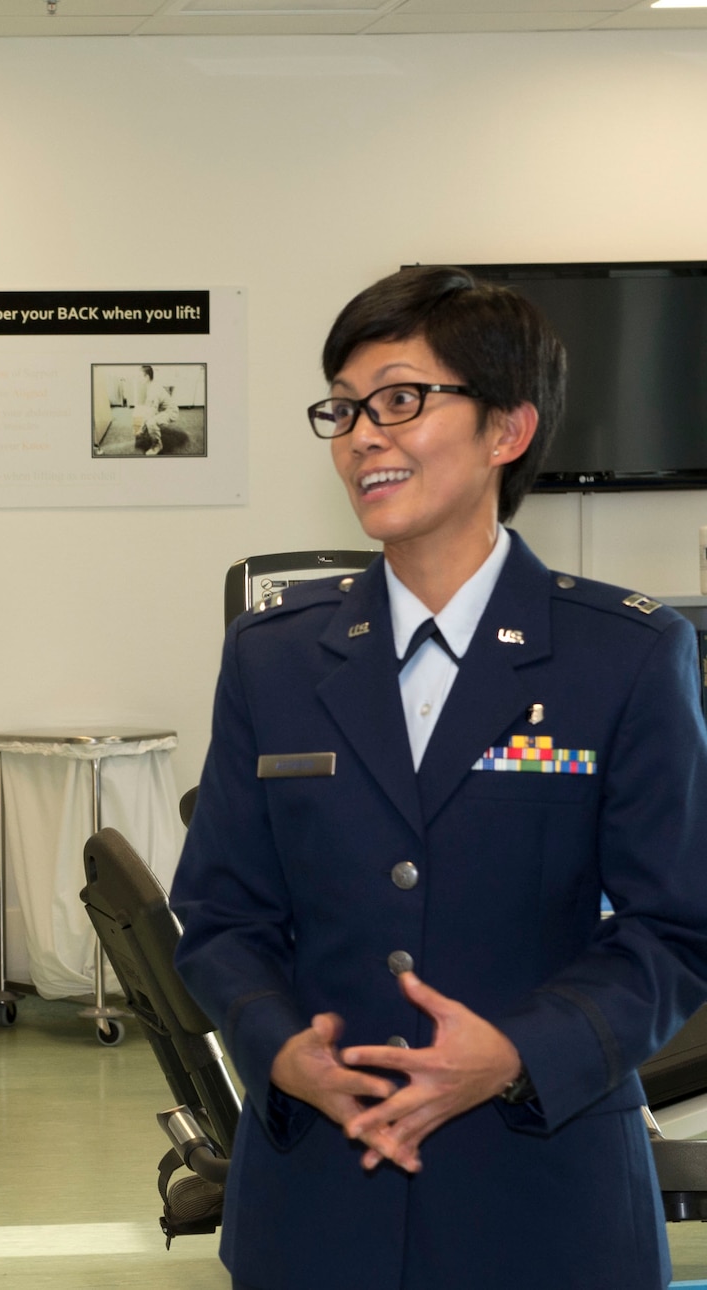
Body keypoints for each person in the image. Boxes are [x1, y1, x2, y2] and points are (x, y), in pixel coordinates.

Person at [170, 265, 707, 1289]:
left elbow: (675, 925)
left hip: (542, 1202)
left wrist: (515, 1051)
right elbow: (221, 915)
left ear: (505, 429)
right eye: (343, 407)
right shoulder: (272, 658)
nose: (360, 434)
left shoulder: (623, 657)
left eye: (400, 400)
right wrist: (280, 1052)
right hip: (317, 1202)